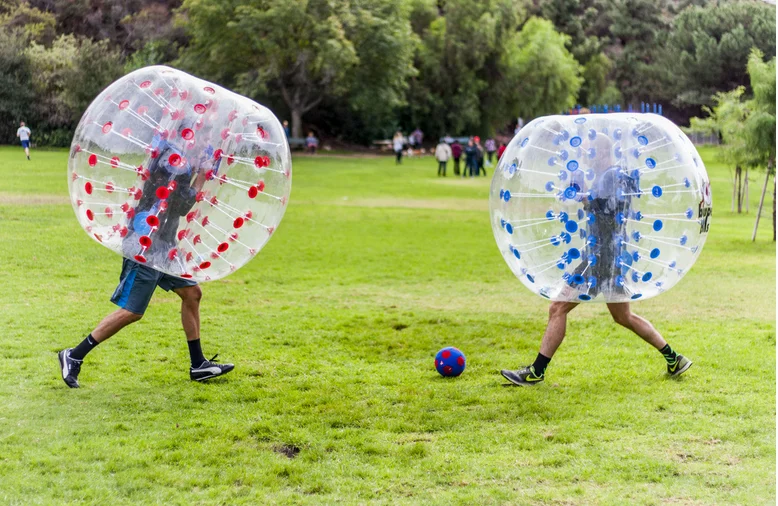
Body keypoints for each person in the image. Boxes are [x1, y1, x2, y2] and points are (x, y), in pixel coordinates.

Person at [500, 131, 693, 386]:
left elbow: (607, 211)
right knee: (623, 317)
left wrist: (584, 198)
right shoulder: (612, 175)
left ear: (601, 152)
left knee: (557, 307)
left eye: (588, 152)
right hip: (611, 255)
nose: (585, 157)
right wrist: (584, 197)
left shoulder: (610, 176)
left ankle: (536, 372)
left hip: (600, 257)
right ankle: (674, 358)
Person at [58, 131, 234, 388]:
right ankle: (73, 355)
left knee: (192, 294)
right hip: (146, 243)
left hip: (164, 244)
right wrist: (202, 177)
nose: (208, 147)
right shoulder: (171, 162)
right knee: (132, 311)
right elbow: (181, 204)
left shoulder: (178, 157)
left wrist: (199, 169)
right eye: (205, 142)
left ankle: (198, 365)